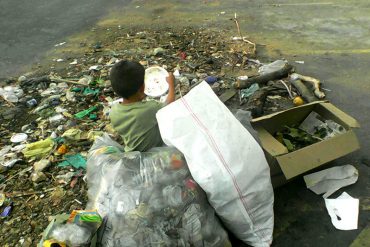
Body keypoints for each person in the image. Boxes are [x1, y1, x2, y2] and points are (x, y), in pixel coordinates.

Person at [109, 60, 175, 152]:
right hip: (151, 155)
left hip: (131, 153)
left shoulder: (114, 111)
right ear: (141, 89)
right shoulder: (149, 109)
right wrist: (171, 84)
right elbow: (169, 103)